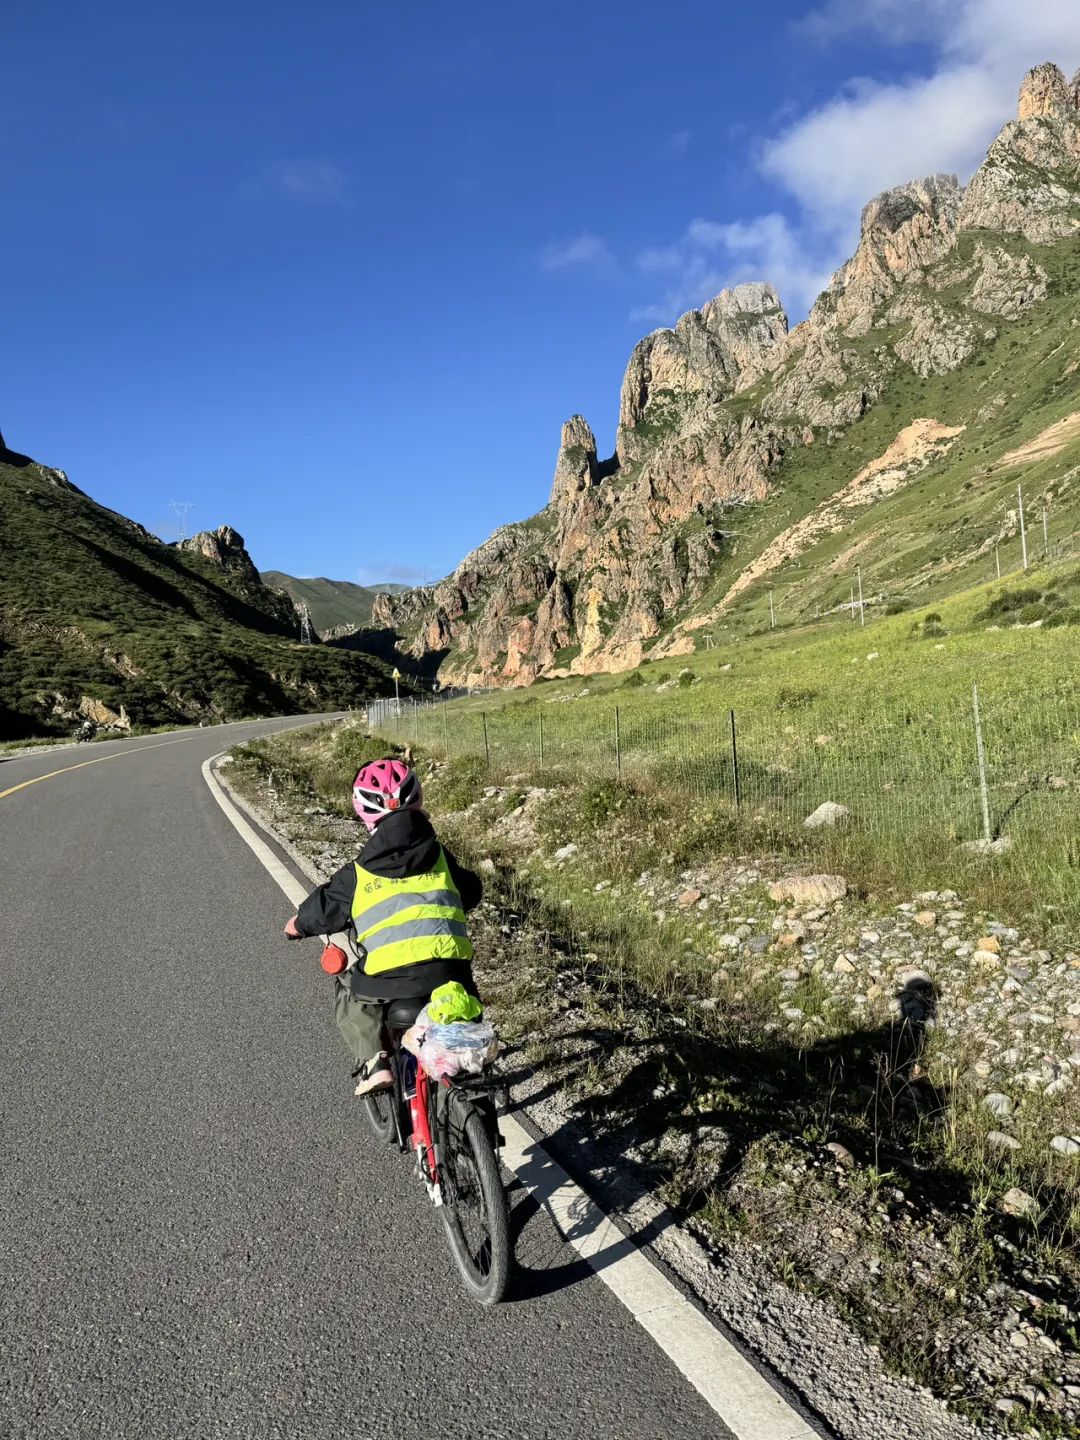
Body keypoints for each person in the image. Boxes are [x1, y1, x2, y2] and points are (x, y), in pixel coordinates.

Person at [283, 758, 482, 1095]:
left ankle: (374, 1064)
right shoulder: (440, 857)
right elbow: (471, 892)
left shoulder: (357, 873)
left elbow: (317, 913)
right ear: (417, 799)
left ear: (362, 812)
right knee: (465, 1012)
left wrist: (296, 927)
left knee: (348, 985)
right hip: (451, 972)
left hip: (389, 982)